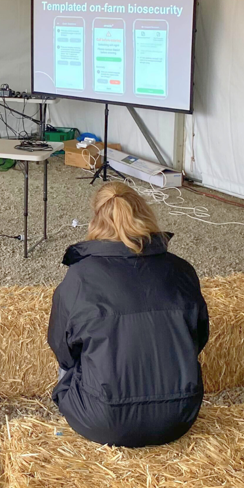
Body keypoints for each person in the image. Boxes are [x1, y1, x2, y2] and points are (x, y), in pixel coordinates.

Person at [48, 181, 209, 448]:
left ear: (96, 218)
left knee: (68, 368)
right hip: (179, 417)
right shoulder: (182, 270)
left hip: (103, 419)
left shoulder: (80, 277)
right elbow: (199, 337)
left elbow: (62, 350)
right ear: (145, 214)